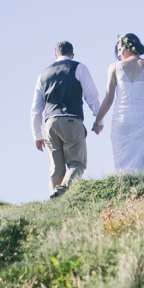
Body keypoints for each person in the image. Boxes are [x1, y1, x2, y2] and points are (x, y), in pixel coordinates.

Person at [30, 41, 101, 198]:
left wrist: (37, 134)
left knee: (56, 169)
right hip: (71, 121)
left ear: (55, 55)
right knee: (78, 163)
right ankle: (62, 191)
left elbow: (36, 108)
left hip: (50, 124)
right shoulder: (79, 67)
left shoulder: (43, 74)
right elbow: (92, 97)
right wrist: (99, 120)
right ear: (72, 55)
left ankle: (56, 203)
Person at [93, 33, 144, 173]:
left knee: (123, 164)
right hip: (143, 118)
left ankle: (126, 189)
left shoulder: (114, 67)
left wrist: (98, 121)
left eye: (119, 49)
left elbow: (109, 99)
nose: (118, 54)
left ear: (128, 47)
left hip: (122, 118)